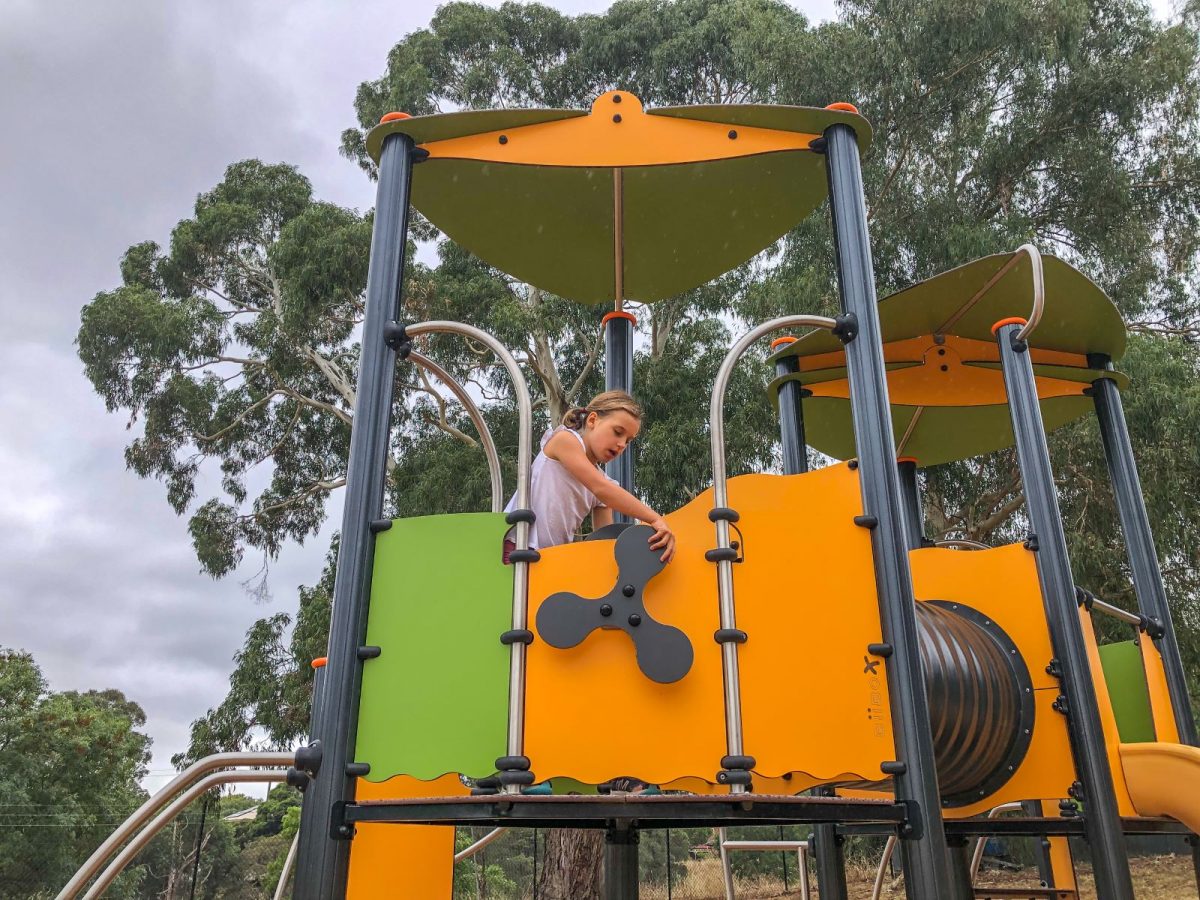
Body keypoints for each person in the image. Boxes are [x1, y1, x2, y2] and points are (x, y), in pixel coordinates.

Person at [503, 390, 676, 563]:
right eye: (617, 432)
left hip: (548, 560)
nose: (622, 444)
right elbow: (601, 488)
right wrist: (654, 518)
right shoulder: (565, 440)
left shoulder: (603, 484)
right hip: (517, 546)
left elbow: (605, 543)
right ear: (593, 420)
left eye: (628, 441)